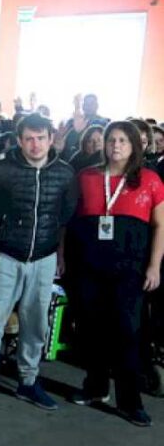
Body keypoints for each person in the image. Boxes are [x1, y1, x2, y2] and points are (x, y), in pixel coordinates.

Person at [0, 114, 78, 410]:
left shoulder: (64, 174)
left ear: (51, 139)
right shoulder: (2, 170)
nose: (35, 144)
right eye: (29, 138)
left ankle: (28, 380)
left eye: (41, 138)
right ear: (19, 140)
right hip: (5, 256)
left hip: (44, 258)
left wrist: (57, 253)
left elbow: (66, 215)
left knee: (36, 322)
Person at [65, 121, 164, 427]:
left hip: (129, 271)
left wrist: (154, 265)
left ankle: (130, 401)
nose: (116, 145)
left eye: (123, 140)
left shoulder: (149, 180)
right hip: (89, 266)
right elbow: (67, 221)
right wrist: (60, 256)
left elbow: (161, 226)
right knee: (91, 329)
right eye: (111, 140)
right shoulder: (87, 177)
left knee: (127, 332)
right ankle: (95, 388)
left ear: (135, 145)